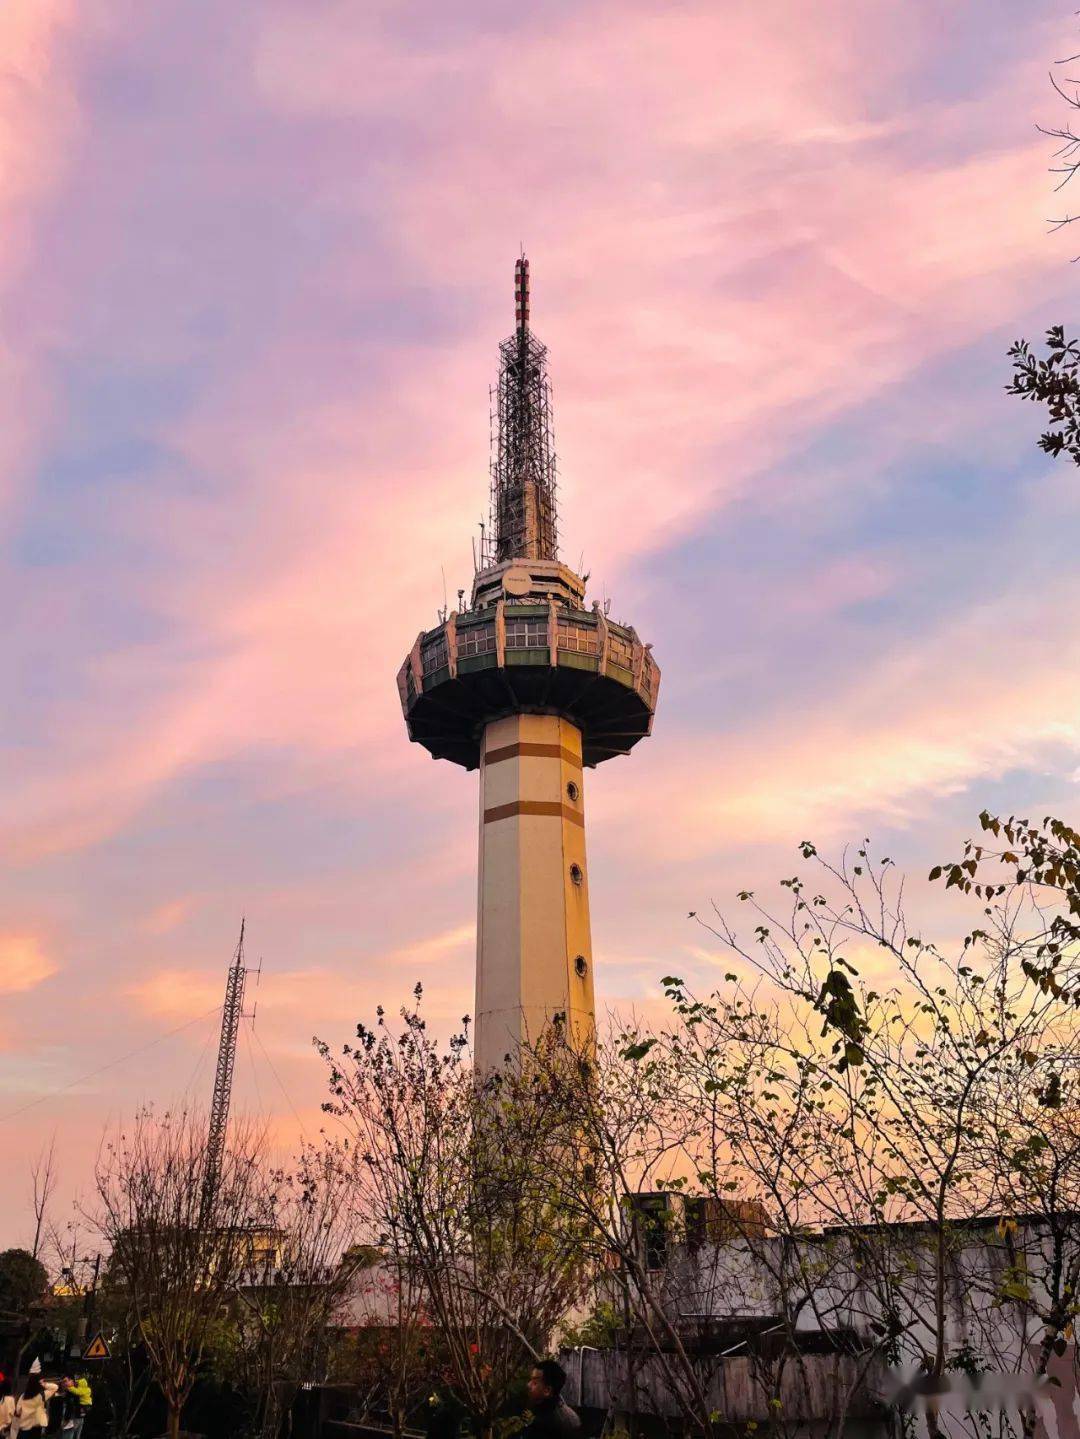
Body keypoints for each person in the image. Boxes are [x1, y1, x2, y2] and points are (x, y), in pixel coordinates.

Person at [523, 1360, 580, 1439]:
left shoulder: (551, 1423)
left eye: (535, 1383)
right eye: (530, 1380)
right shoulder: (537, 1406)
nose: (528, 1385)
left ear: (547, 1390)